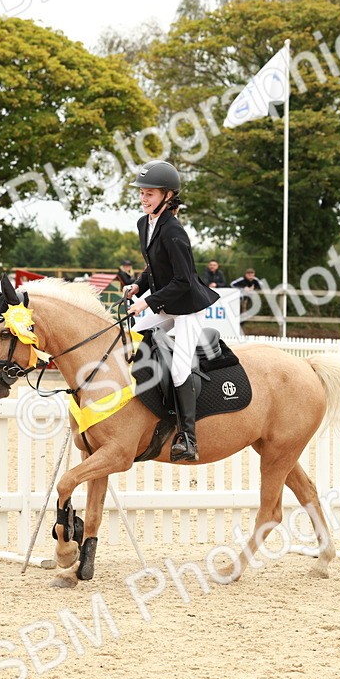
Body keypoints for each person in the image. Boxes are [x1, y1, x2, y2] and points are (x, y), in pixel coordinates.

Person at [123, 160, 219, 462]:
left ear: (167, 196)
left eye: (149, 194)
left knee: (180, 368)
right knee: (133, 336)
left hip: (186, 307)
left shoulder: (174, 231)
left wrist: (146, 302)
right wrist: (138, 286)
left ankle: (189, 438)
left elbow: (183, 280)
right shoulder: (145, 224)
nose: (143, 198)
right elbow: (153, 268)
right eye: (142, 193)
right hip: (166, 303)